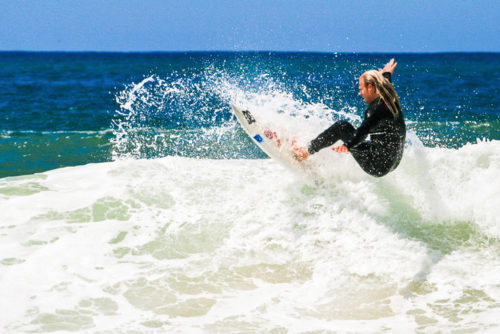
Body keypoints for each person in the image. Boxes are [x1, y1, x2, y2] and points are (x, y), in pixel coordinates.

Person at [293, 59, 406, 177]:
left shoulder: (375, 110)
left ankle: (304, 152)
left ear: (371, 88)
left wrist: (347, 145)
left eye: (361, 89)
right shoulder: (391, 98)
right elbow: (385, 83)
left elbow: (363, 132)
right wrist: (386, 74)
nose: (360, 93)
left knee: (341, 127)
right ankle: (319, 161)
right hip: (393, 161)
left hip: (376, 166)